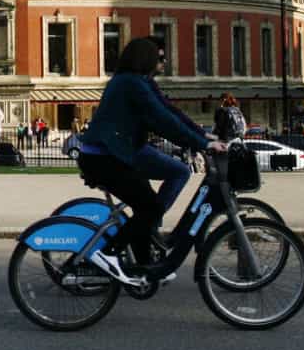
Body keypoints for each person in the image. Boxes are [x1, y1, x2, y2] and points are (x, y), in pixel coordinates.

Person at [75, 37, 225, 279]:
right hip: (105, 158)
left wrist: (202, 135)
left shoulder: (140, 82)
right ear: (146, 59)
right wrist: (203, 144)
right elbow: (162, 120)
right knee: (150, 208)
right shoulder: (131, 84)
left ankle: (144, 266)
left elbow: (170, 112)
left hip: (119, 153)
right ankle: (108, 254)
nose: (163, 63)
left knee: (148, 205)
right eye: (160, 58)